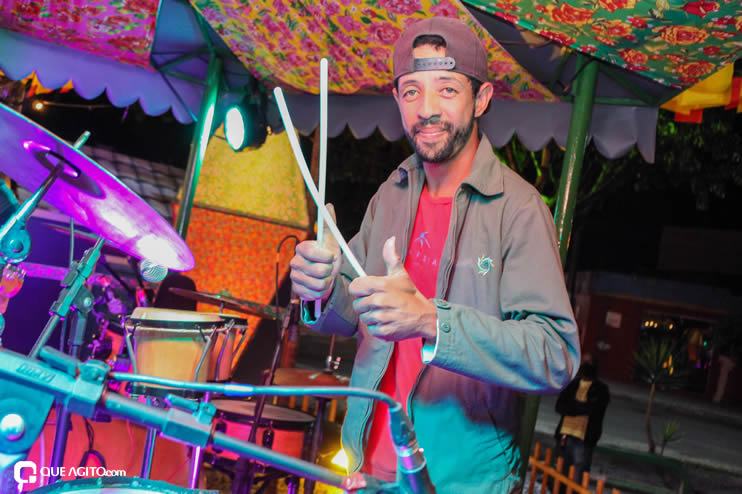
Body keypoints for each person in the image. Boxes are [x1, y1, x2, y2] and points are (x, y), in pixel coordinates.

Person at [290, 17, 580, 493]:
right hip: (368, 471)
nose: (427, 109)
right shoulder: (391, 193)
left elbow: (555, 355)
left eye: (447, 89)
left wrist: (431, 321)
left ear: (481, 99)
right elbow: (353, 312)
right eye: (412, 91)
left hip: (461, 483)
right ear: (397, 100)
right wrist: (318, 291)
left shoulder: (519, 210)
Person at [554, 356, 610, 486]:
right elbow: (560, 407)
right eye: (584, 362)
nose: (585, 364)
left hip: (584, 438)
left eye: (589, 362)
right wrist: (582, 407)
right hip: (565, 435)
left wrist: (573, 406)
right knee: (560, 474)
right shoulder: (572, 385)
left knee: (578, 477)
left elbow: (594, 409)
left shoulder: (601, 389)